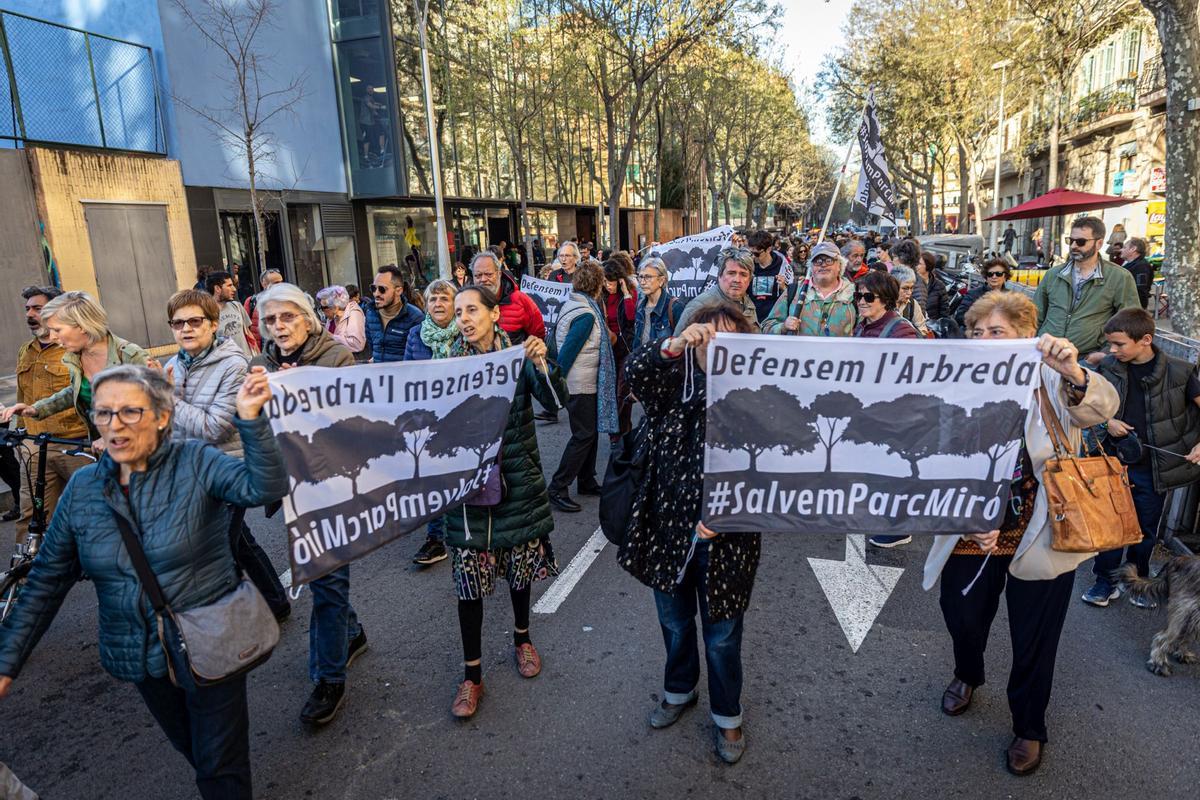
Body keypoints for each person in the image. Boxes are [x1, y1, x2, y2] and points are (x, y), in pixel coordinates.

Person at [0, 363, 288, 799]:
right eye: (103, 414)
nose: (115, 426)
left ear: (162, 416)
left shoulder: (197, 462)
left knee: (218, 765)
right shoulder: (82, 490)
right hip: (139, 653)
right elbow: (45, 582)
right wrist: (6, 661)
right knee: (195, 750)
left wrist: (251, 419)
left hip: (214, 637)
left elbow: (265, 488)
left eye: (130, 412)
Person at [924, 291, 1119, 777]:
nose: (984, 340)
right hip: (970, 526)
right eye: (977, 331)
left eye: (997, 332)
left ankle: (1029, 727)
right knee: (962, 615)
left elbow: (1102, 406)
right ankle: (967, 673)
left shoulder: (1052, 375)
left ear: (1025, 336)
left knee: (1035, 638)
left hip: (1042, 529)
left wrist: (1075, 372)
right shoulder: (958, 379)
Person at [619, 303, 761, 765]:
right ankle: (678, 692)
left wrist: (729, 514)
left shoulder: (757, 396)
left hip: (729, 542)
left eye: (728, 337)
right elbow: (636, 372)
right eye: (707, 335)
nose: (715, 345)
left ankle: (727, 717)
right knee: (675, 625)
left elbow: (776, 473)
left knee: (722, 638)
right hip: (667, 533)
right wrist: (674, 346)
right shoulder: (671, 383)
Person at [435, 286, 565, 719]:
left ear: (495, 314)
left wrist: (541, 361)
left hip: (516, 485)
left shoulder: (518, 357)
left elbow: (555, 400)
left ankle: (522, 639)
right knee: (468, 585)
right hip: (468, 496)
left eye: (472, 310)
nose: (464, 319)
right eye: (458, 313)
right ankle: (472, 676)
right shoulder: (447, 366)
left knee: (520, 573)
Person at [250, 283, 367, 726]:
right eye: (271, 320)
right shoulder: (259, 364)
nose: (279, 327)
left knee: (326, 582)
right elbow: (254, 426)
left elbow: (354, 421)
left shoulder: (335, 356)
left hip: (333, 487)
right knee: (323, 578)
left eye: (288, 317)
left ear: (308, 318)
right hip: (290, 487)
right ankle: (351, 634)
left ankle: (328, 678)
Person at [159, 289, 290, 621]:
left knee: (216, 549)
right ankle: (276, 602)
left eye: (194, 321)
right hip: (190, 470)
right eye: (178, 323)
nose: (186, 329)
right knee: (239, 543)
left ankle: (228, 627)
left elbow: (215, 427)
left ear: (213, 324)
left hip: (228, 469)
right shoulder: (172, 365)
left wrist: (169, 398)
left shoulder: (234, 365)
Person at [1082, 308, 1200, 607]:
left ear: (1145, 339)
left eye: (1119, 344)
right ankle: (1105, 581)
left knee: (1145, 527)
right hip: (1111, 460)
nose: (1112, 350)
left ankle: (1138, 581)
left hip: (1153, 467)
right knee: (1109, 525)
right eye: (1110, 344)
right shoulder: (1108, 366)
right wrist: (1107, 421)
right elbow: (1086, 405)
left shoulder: (1182, 371)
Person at [1, 292, 149, 445]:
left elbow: (157, 409)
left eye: (57, 330)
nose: (52, 337)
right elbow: (76, 391)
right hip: (104, 449)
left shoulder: (131, 357)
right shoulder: (75, 356)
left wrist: (116, 436)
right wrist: (36, 409)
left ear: (82, 326)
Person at [8, 286, 91, 541]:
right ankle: (28, 575)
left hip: (74, 444)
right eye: (27, 309)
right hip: (35, 446)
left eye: (37, 308)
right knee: (31, 516)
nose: (30, 314)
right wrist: (20, 437)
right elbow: (24, 397)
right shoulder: (27, 350)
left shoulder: (75, 348)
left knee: (92, 511)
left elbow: (81, 394)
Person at [548, 261, 618, 513]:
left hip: (584, 382)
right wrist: (556, 387)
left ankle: (587, 481)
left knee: (589, 434)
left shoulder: (576, 304)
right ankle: (557, 487)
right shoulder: (586, 315)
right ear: (597, 284)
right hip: (580, 385)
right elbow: (566, 355)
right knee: (584, 435)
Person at [404, 279, 458, 567]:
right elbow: (407, 375)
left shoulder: (466, 332)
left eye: (444, 299)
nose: (438, 304)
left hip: (461, 418)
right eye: (433, 299)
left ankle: (466, 530)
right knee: (433, 480)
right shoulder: (416, 335)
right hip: (428, 421)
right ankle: (436, 538)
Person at [1034, 217, 1140, 361]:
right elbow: (1035, 315)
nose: (1073, 246)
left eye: (1081, 242)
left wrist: (1104, 354)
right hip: (1045, 354)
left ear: (1099, 243)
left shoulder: (1119, 277)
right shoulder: (1053, 274)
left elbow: (1130, 325)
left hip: (1086, 360)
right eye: (1071, 241)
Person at [761, 241, 857, 337]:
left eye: (829, 260)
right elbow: (766, 326)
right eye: (817, 261)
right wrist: (783, 327)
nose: (823, 265)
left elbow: (866, 331)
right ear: (811, 266)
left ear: (840, 265)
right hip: (800, 352)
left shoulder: (854, 293)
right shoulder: (794, 291)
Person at [673, 247, 759, 334]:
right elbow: (678, 344)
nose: (737, 279)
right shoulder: (700, 306)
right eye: (731, 273)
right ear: (719, 276)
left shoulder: (747, 302)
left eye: (743, 274)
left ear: (749, 280)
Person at [469, 252, 545, 345]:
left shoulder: (520, 300)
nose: (483, 279)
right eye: (478, 275)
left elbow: (538, 335)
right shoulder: (465, 304)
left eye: (488, 274)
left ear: (499, 274)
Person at [602, 259, 637, 435]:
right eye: (605, 282)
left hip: (625, 348)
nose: (608, 286)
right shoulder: (602, 296)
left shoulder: (629, 293)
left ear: (620, 280)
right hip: (608, 347)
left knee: (622, 390)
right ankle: (616, 431)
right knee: (610, 391)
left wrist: (625, 293)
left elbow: (631, 318)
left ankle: (622, 430)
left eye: (611, 282)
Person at [363, 265, 424, 363]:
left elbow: (418, 357)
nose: (376, 294)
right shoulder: (370, 313)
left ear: (398, 291)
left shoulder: (415, 317)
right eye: (373, 288)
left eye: (382, 289)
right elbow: (373, 347)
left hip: (404, 376)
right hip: (379, 376)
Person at [632, 257, 687, 347]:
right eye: (640, 277)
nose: (642, 282)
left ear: (662, 280)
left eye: (648, 277)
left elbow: (683, 345)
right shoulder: (640, 306)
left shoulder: (675, 307)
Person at [852, 271, 918, 341]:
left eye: (869, 297)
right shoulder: (860, 328)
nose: (861, 302)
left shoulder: (901, 331)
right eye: (858, 296)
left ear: (886, 300)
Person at [747, 230, 793, 323]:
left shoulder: (783, 266)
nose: (753, 257)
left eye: (757, 254)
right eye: (751, 253)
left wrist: (783, 287)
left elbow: (792, 297)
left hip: (774, 320)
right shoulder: (748, 266)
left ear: (768, 249)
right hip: (752, 319)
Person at [206, 271, 255, 358]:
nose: (234, 289)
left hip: (248, 360)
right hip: (228, 366)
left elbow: (249, 334)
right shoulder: (207, 314)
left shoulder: (237, 306)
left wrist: (257, 357)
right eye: (229, 285)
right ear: (217, 288)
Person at [957, 258, 1013, 327]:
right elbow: (960, 316)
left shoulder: (1011, 297)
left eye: (998, 274)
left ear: (1005, 276)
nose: (994, 276)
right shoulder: (973, 294)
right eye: (990, 274)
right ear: (986, 277)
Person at [316, 285, 366, 355]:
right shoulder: (332, 317)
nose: (322, 311)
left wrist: (328, 336)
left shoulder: (354, 313)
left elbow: (356, 344)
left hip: (351, 361)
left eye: (323, 307)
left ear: (335, 307)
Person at [243, 268, 283, 353]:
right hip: (261, 349)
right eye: (276, 283)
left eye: (281, 281)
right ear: (264, 284)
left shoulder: (287, 301)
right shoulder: (252, 301)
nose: (281, 285)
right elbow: (245, 328)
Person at [890, 265, 931, 337]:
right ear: (893, 286)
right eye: (905, 288)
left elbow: (922, 329)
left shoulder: (912, 304)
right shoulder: (882, 304)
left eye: (912, 288)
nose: (909, 292)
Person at [890, 239, 926, 310]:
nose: (892, 261)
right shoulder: (898, 277)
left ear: (902, 258)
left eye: (894, 257)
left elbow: (919, 313)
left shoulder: (917, 284)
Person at [1118, 237, 1153, 309]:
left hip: (1133, 308)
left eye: (1124, 247)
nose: (1121, 250)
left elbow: (1141, 290)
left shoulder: (1141, 266)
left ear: (1133, 249)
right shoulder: (1132, 264)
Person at [917, 251, 949, 321]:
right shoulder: (912, 283)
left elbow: (944, 311)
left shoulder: (939, 286)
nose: (916, 266)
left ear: (928, 265)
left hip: (932, 326)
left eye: (919, 264)